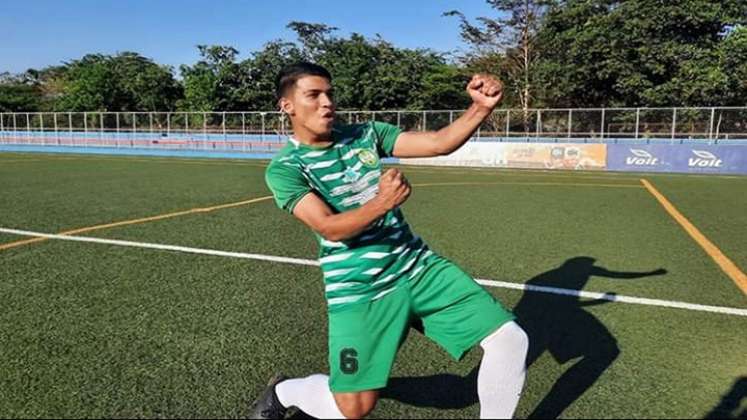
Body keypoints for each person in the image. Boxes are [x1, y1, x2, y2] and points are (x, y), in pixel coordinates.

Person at [250, 62, 528, 419]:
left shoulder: (366, 134)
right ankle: (283, 392)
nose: (327, 103)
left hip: (418, 267)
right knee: (352, 408)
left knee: (510, 339)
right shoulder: (286, 169)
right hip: (360, 289)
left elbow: (438, 143)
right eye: (313, 95)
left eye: (330, 93)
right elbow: (329, 228)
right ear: (286, 105)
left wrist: (480, 109)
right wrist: (383, 202)